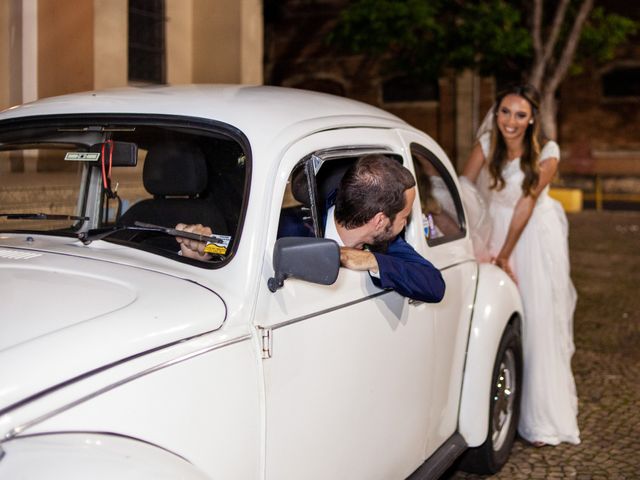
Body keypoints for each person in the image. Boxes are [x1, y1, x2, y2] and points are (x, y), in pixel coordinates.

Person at [462, 84, 580, 446]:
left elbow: (527, 202)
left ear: (532, 120)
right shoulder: (485, 145)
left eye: (520, 115)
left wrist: (506, 254)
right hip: (495, 228)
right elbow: (464, 188)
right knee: (495, 317)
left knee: (538, 317)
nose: (510, 121)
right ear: (495, 113)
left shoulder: (548, 152)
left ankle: (541, 417)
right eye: (505, 112)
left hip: (532, 235)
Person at [177, 154, 445, 303]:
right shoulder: (284, 226)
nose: (406, 223)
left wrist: (369, 260)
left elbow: (434, 285)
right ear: (379, 220)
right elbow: (245, 252)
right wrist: (206, 249)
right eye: (404, 215)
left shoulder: (387, 244)